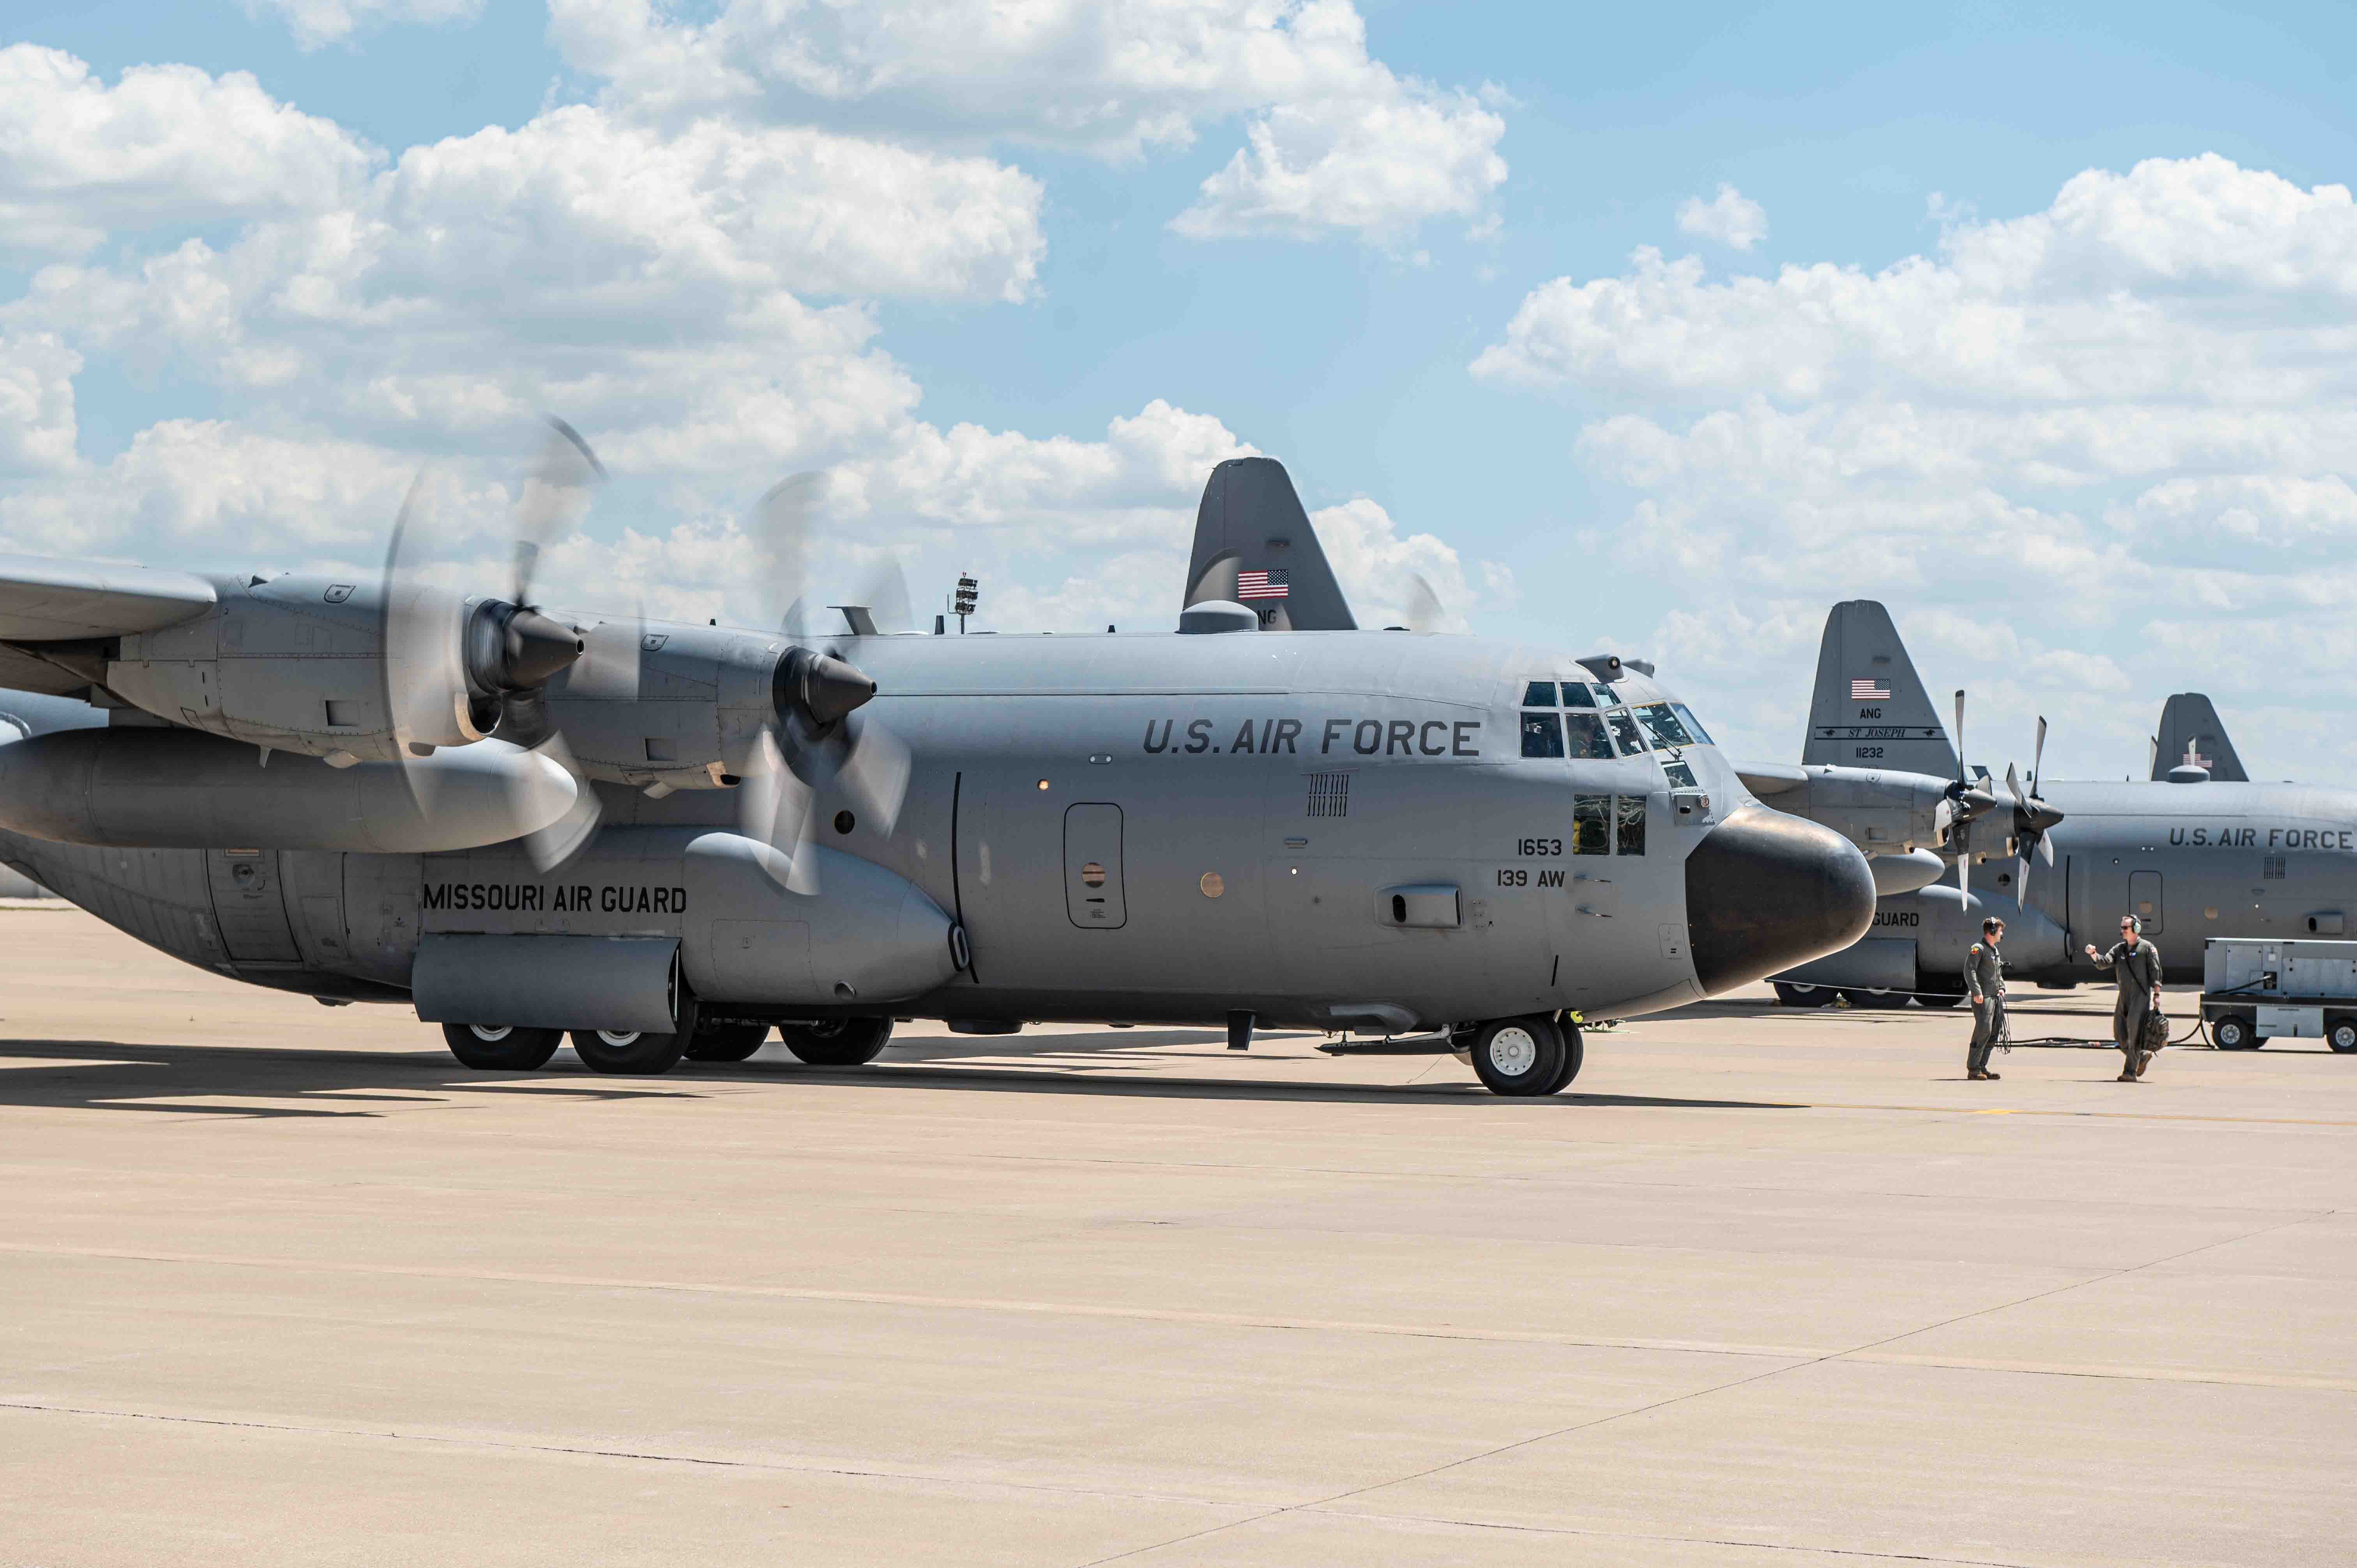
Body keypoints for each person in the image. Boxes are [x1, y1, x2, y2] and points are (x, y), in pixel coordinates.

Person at [2084, 915, 2164, 1081]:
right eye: (2122, 928)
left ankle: (2130, 1073)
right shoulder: (2119, 949)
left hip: (2140, 997)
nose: (2122, 931)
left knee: (2134, 1034)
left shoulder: (2147, 948)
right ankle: (2142, 1056)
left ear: (2136, 929)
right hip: (2124, 997)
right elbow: (2104, 962)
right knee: (2120, 1035)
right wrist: (2093, 954)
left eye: (2126, 928)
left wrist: (2157, 995)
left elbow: (2156, 972)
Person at [1964, 916, 2006, 1081]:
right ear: (1993, 931)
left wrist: (2001, 987)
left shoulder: (1994, 950)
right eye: (2000, 931)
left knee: (1994, 1032)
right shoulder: (1978, 949)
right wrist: (1977, 992)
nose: (2002, 934)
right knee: (1984, 1030)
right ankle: (1973, 1069)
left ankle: (1982, 1066)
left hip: (1995, 997)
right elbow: (1970, 970)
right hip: (1984, 998)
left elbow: (1997, 973)